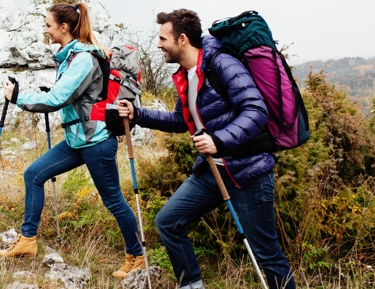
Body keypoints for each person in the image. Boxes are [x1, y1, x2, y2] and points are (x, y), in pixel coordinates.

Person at [117, 9, 296, 289]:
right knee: (168, 222)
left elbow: (255, 109)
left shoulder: (221, 63)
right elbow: (180, 120)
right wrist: (138, 114)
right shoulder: (186, 74)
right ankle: (191, 285)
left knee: (266, 253)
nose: (158, 44)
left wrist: (219, 140)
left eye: (163, 38)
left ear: (183, 39)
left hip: (249, 171)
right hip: (213, 170)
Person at [0, 2, 146, 279]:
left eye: (48, 25)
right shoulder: (70, 57)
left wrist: (19, 97)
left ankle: (136, 255)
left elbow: (57, 99)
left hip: (97, 141)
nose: (46, 29)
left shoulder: (83, 59)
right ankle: (27, 242)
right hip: (78, 139)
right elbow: (69, 94)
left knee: (113, 200)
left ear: (63, 27)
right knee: (33, 175)